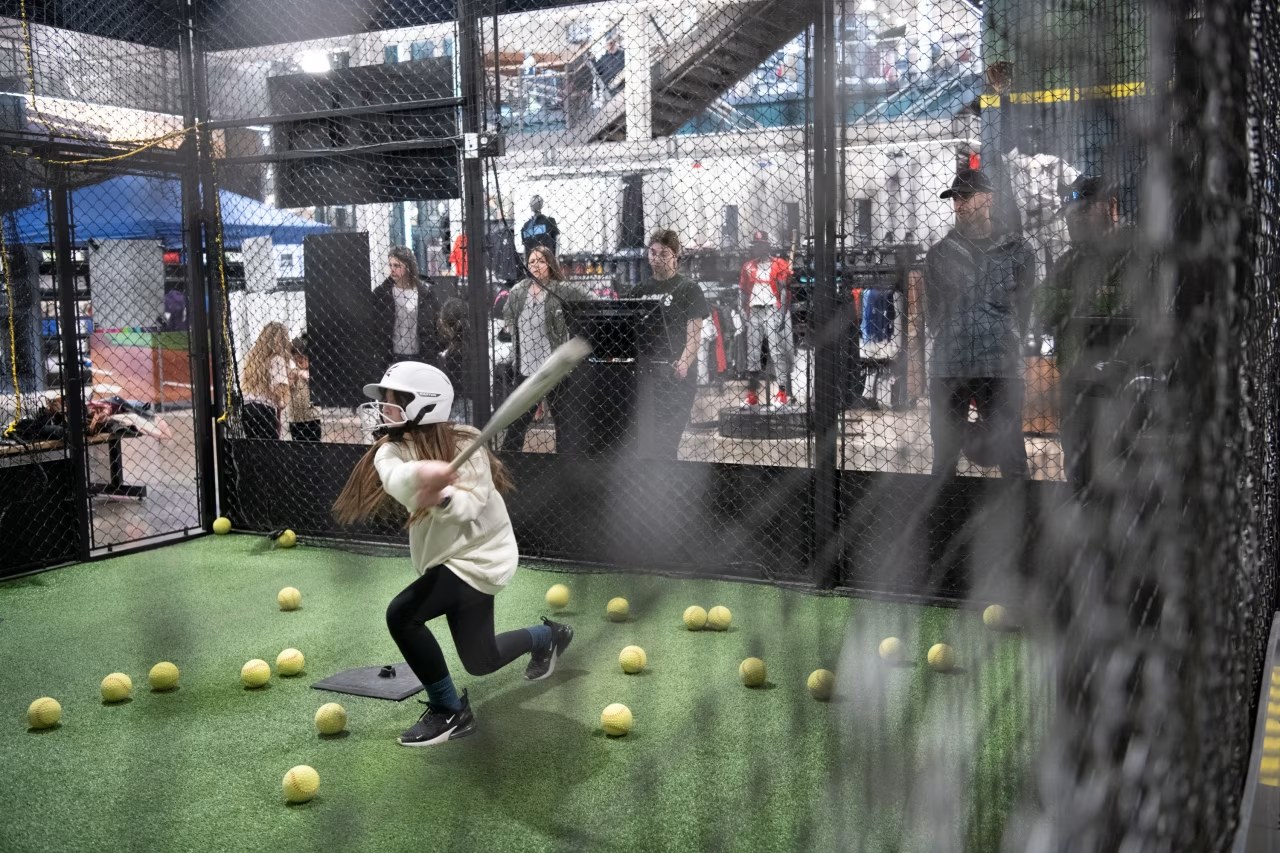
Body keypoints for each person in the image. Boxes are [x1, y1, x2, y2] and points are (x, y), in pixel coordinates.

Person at [332, 362, 573, 746]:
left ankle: (450, 712)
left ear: (423, 404)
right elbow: (396, 478)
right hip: (448, 560)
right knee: (482, 661)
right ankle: (549, 636)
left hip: (483, 556)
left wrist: (443, 495)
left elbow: (469, 508)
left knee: (402, 615)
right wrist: (423, 476)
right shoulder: (389, 449)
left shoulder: (467, 442)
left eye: (392, 401)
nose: (383, 409)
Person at [924, 168, 1035, 478]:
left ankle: (1021, 509)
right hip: (950, 366)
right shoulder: (939, 255)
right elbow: (933, 313)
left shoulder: (1018, 252)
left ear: (988, 198)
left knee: (1012, 456)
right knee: (944, 459)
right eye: (955, 198)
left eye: (966, 197)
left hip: (999, 366)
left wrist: (1002, 336)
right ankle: (944, 509)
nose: (959, 204)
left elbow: (1025, 310)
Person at [1037, 175, 1145, 490]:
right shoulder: (1068, 260)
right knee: (1078, 472)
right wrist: (1090, 298)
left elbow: (1128, 304)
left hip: (1122, 384)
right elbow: (1042, 306)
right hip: (1077, 384)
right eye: (1071, 212)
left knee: (1123, 469)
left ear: (1111, 206)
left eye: (1084, 210)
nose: (1075, 219)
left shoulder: (1134, 250)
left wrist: (1072, 301)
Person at [500, 247, 592, 453]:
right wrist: (510, 328)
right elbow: (507, 314)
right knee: (516, 425)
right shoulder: (519, 291)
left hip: (554, 369)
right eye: (531, 262)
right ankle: (508, 461)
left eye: (541, 261)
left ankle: (564, 464)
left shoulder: (560, 289)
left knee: (563, 425)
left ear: (550, 265)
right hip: (526, 369)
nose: (535, 265)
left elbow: (589, 298)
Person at [628, 229, 710, 459]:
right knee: (643, 444)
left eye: (663, 254)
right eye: (652, 253)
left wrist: (683, 364)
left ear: (675, 255)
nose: (656, 258)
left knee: (666, 444)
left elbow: (694, 336)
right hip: (645, 377)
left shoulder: (688, 289)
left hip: (675, 377)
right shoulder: (639, 290)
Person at [738, 230, 795, 405]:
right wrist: (742, 311)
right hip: (754, 311)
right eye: (755, 245)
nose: (757, 248)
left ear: (767, 247)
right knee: (753, 354)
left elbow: (784, 291)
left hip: (772, 309)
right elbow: (743, 291)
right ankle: (752, 395)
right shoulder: (748, 266)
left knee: (777, 352)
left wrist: (782, 314)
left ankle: (782, 393)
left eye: (760, 245)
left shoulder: (779, 264)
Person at [372, 246, 441, 368]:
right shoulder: (382, 294)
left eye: (397, 266)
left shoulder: (426, 294)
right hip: (391, 358)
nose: (392, 269)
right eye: (390, 265)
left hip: (421, 357)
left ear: (408, 266)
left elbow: (436, 327)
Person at [240, 322, 292, 440]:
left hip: (246, 407)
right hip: (264, 411)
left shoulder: (253, 357)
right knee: (268, 448)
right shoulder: (278, 359)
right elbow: (280, 399)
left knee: (253, 445)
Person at [437, 297, 472, 424]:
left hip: (458, 408)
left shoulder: (454, 353)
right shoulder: (474, 345)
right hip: (476, 404)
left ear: (444, 323)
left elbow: (452, 388)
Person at [288, 334, 321, 441]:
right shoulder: (292, 369)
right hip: (295, 418)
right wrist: (297, 372)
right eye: (297, 358)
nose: (300, 361)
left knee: (315, 443)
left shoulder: (314, 369)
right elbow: (288, 383)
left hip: (312, 417)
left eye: (304, 358)